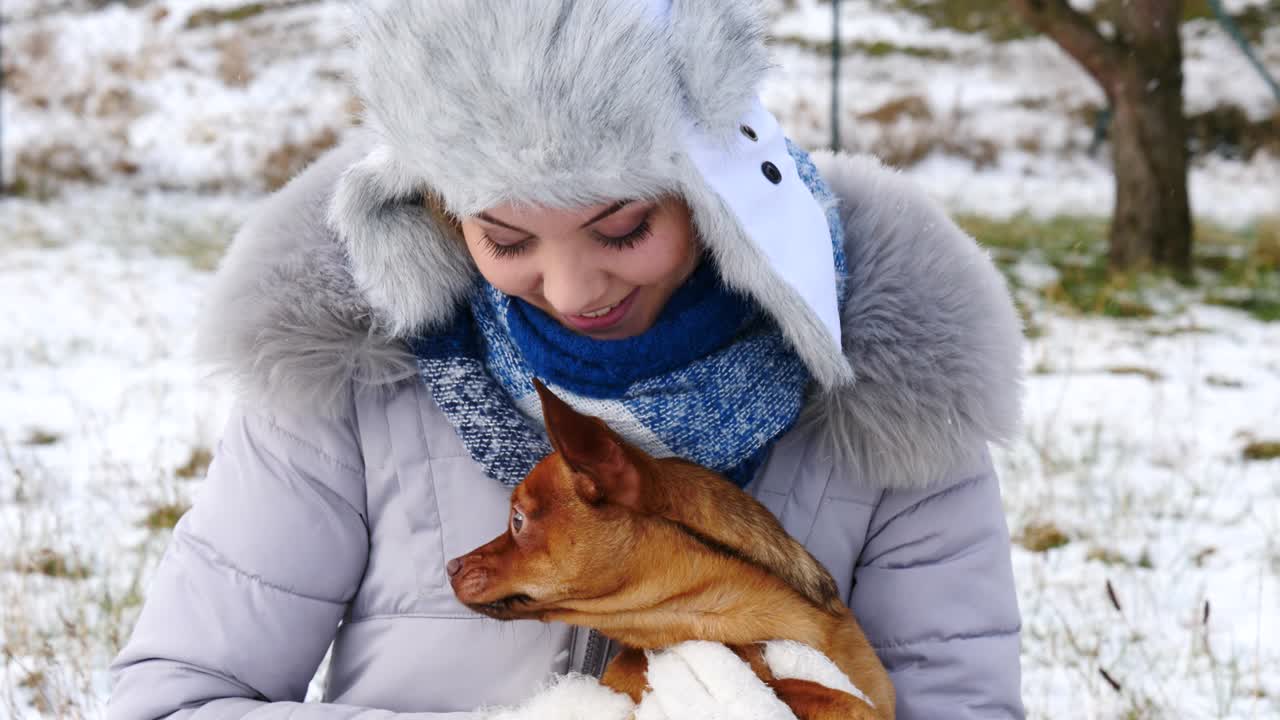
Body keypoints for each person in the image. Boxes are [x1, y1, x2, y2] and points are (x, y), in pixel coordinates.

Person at [108, 1, 1025, 718]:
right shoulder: (350, 376)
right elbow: (175, 700)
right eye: (507, 241)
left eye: (622, 227)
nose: (575, 288)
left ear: (717, 189)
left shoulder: (892, 396)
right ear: (440, 212)